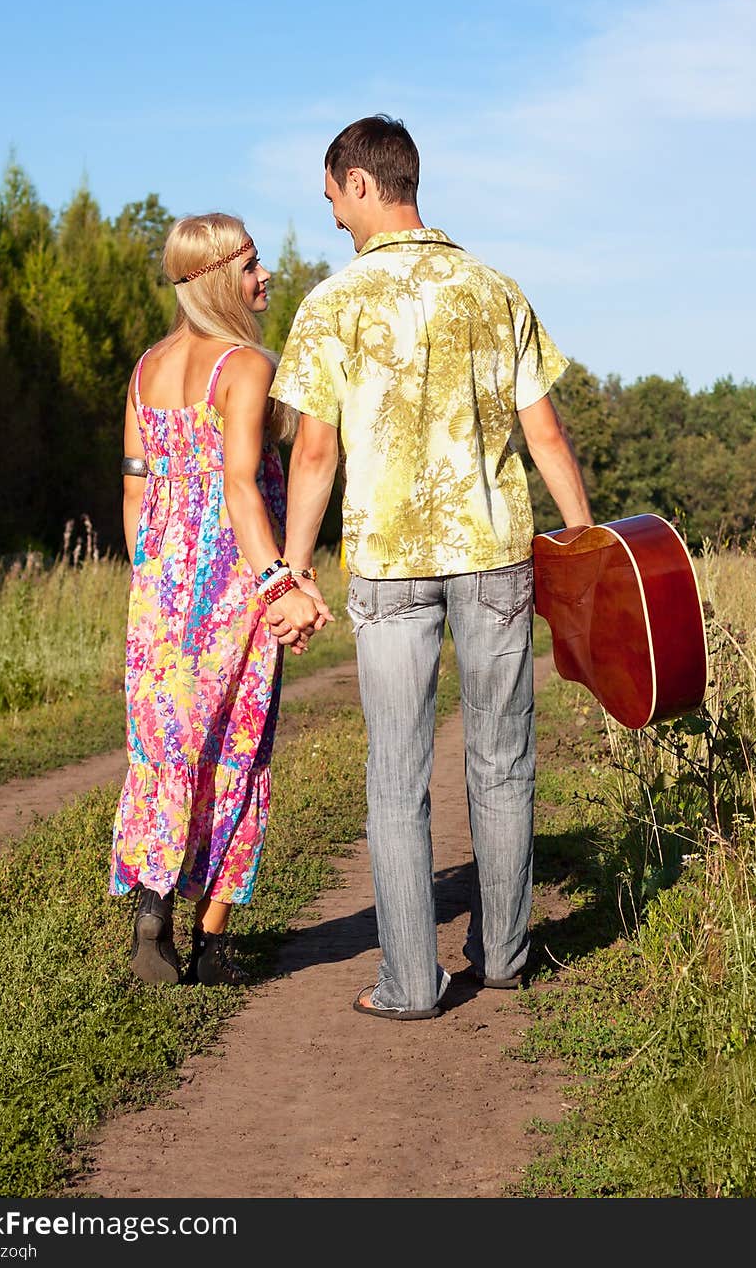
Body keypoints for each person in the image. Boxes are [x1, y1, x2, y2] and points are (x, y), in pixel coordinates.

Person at [268, 115, 593, 1020]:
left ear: (363, 183)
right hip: (494, 558)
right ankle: (502, 957)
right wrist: (587, 545)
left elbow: (314, 457)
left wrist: (294, 567)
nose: (332, 214)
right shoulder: (497, 293)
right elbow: (546, 436)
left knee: (394, 774)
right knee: (502, 760)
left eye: (332, 195)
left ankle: (411, 984)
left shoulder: (333, 304)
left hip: (391, 565)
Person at [111, 212, 330, 987]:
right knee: (236, 747)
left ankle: (151, 910)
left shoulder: (145, 368)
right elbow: (241, 484)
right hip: (232, 575)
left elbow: (135, 494)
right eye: (251, 265)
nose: (263, 276)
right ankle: (217, 939)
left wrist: (155, 577)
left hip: (160, 583)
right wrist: (279, 580)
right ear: (216, 279)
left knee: (164, 749)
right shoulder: (242, 366)